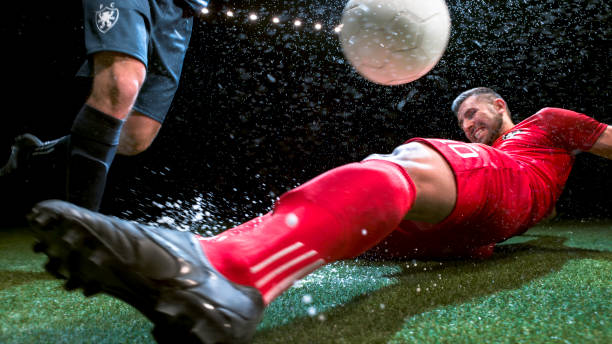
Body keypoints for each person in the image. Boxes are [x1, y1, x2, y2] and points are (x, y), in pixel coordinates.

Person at [27, 87, 611, 343]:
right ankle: (204, 250)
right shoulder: (488, 153)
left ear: (502, 105)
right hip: (466, 240)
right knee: (351, 221)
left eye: (474, 113)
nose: (467, 124)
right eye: (461, 121)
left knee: (403, 161)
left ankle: (229, 273)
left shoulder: (542, 127)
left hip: (505, 188)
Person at [1, 0, 209, 212]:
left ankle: (31, 156)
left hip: (179, 9)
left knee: (135, 136)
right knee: (121, 84)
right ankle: (79, 228)